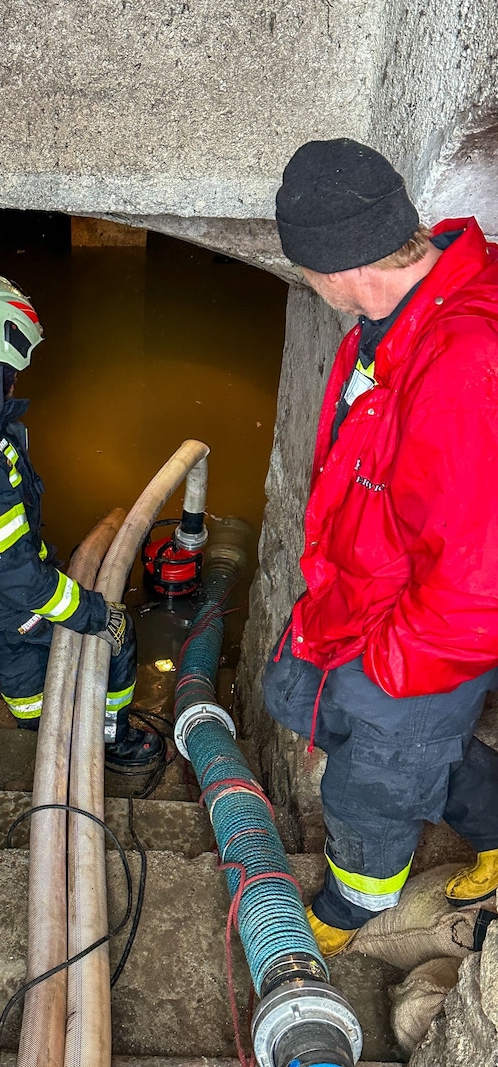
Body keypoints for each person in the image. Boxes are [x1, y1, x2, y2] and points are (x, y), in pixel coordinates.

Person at [263, 138, 498, 957]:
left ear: (337, 266)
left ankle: (354, 906)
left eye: (303, 268)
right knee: (293, 694)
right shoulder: (397, 314)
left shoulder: (466, 365)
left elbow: (475, 590)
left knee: (374, 787)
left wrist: (383, 682)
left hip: (420, 640)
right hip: (363, 597)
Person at [0, 270, 162, 769]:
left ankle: (36, 723)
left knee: (17, 653)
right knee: (116, 639)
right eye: (14, 366)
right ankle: (110, 739)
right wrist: (93, 615)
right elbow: (17, 579)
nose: (18, 377)